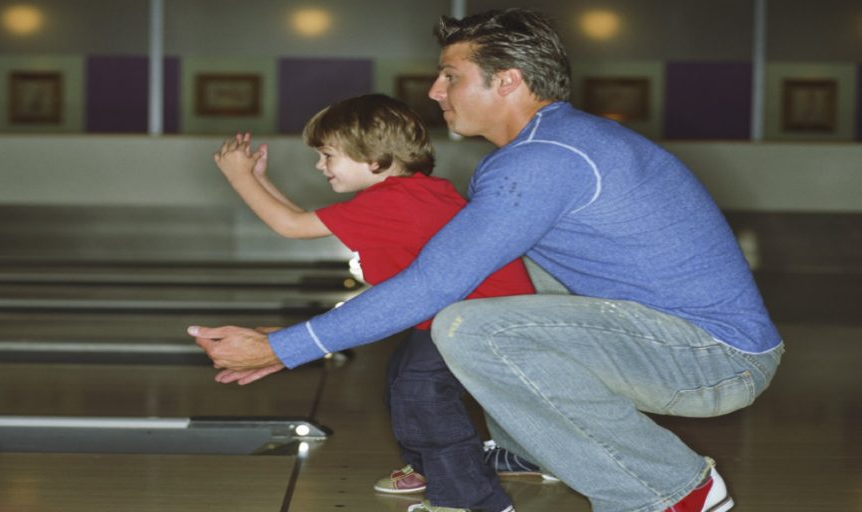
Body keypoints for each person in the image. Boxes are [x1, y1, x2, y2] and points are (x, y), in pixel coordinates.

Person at [191, 9, 783, 512]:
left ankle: (671, 490)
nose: (434, 92)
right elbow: (450, 272)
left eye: (451, 76)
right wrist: (297, 337)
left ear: (508, 82)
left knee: (467, 322)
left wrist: (285, 347)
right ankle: (533, 444)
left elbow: (433, 284)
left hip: (712, 358)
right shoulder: (554, 144)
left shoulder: (544, 159)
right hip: (683, 340)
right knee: (496, 285)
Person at [211, 93, 545, 512]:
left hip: (480, 323)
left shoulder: (393, 202)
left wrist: (238, 176)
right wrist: (260, 179)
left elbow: (291, 226)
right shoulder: (411, 194)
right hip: (454, 318)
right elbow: (303, 220)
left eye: (327, 155)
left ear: (373, 158)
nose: (320, 165)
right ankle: (431, 469)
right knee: (400, 383)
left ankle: (472, 501)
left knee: (421, 394)